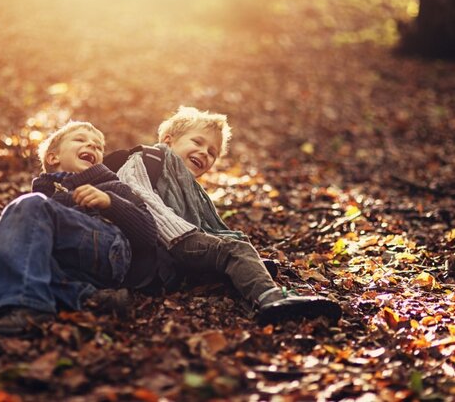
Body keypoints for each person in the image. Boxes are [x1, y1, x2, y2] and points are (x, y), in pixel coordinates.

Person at [117, 106, 342, 323]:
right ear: (168, 140)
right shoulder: (147, 157)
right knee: (234, 249)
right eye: (197, 142)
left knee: (236, 246)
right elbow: (133, 192)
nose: (204, 153)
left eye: (212, 153)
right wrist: (180, 232)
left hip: (175, 244)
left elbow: (209, 225)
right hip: (167, 239)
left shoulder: (190, 188)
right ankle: (269, 297)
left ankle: (245, 270)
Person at [0, 121, 158, 335]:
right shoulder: (43, 198)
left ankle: (25, 306)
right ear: (53, 157)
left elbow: (149, 233)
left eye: (98, 146)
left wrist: (110, 202)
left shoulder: (112, 186)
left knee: (30, 206)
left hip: (108, 251)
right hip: (65, 263)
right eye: (80, 140)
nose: (92, 146)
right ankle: (85, 297)